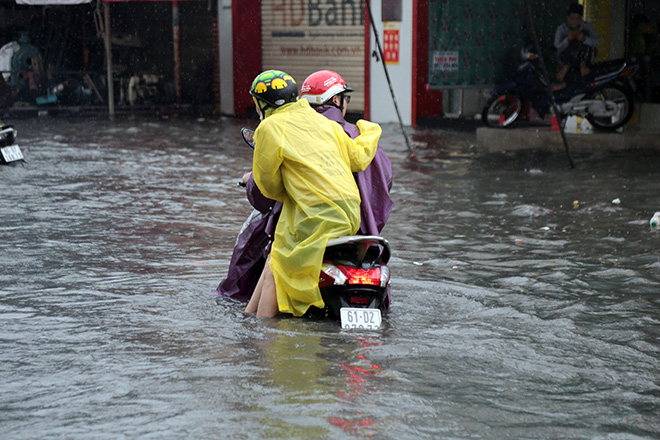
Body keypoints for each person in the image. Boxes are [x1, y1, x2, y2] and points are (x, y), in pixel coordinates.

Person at [212, 71, 393, 310]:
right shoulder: (338, 129)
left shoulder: (270, 127)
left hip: (315, 218)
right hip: (353, 219)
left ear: (260, 104)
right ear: (337, 100)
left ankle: (262, 334)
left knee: (276, 263)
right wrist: (371, 130)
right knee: (275, 261)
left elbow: (268, 189)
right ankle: (254, 320)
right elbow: (365, 165)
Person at [554, 2, 599, 82]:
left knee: (584, 33)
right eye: (572, 18)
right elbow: (556, 48)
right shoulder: (562, 29)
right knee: (572, 42)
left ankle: (582, 64)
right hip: (566, 60)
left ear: (581, 18)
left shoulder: (587, 26)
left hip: (585, 60)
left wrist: (585, 39)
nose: (575, 22)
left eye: (578, 18)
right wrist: (567, 40)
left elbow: (596, 43)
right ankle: (566, 67)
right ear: (568, 18)